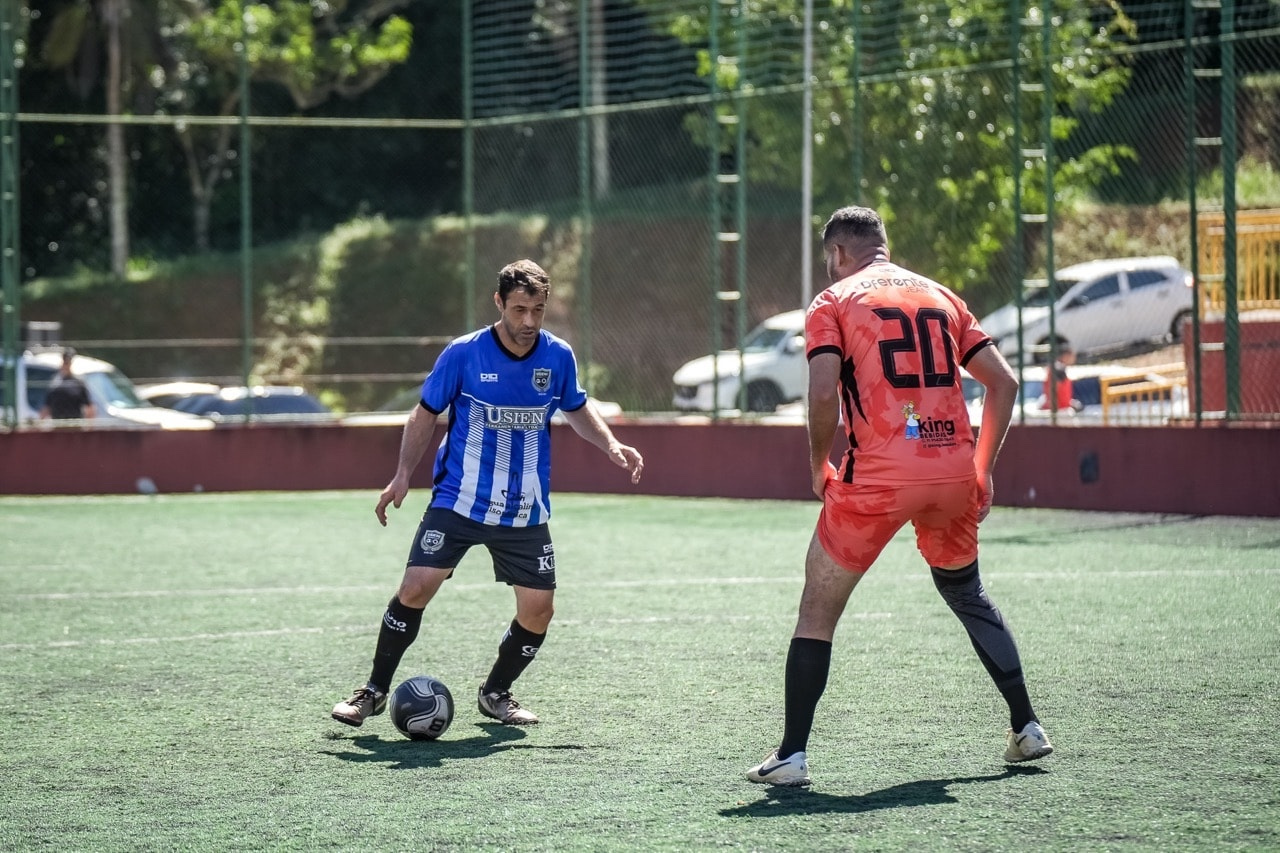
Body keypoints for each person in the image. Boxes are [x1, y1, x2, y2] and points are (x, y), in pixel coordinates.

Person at [746, 206, 1052, 787]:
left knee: (817, 609)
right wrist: (982, 468)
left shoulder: (832, 301)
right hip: (953, 472)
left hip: (879, 476)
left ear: (838, 253)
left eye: (829, 259)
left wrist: (817, 464)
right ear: (884, 244)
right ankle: (1027, 726)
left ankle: (791, 756)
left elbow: (822, 393)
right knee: (967, 592)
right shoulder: (941, 296)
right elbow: (1005, 382)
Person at [332, 259, 644, 729]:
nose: (529, 321)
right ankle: (373, 692)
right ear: (498, 302)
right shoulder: (464, 353)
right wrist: (402, 474)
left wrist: (611, 444)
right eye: (519, 309)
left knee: (539, 611)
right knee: (415, 588)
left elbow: (576, 407)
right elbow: (424, 413)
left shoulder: (558, 356)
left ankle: (496, 692)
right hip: (459, 499)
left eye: (537, 310)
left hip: (524, 509)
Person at [39, 348, 96, 421]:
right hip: (57, 424)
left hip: (75, 424)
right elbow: (46, 408)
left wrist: (89, 425)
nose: (66, 365)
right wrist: (40, 422)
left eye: (68, 362)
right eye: (65, 362)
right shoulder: (55, 384)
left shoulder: (78, 383)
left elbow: (90, 408)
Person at [1041, 345, 1081, 412]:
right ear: (1066, 356)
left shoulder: (1057, 367)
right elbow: (1053, 389)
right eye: (1072, 356)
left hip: (1060, 407)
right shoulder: (1059, 368)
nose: (1074, 359)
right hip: (1060, 410)